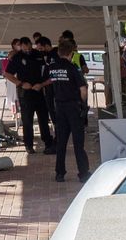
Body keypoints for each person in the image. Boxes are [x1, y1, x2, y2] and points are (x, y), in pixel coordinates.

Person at [38, 38, 91, 183]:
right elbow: (83, 88)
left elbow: (50, 82)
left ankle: (59, 173)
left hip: (59, 107)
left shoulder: (52, 68)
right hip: (73, 107)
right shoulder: (73, 67)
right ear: (70, 53)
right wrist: (83, 105)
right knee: (78, 143)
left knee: (61, 142)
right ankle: (83, 173)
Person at [5, 37, 54, 154]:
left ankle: (48, 143)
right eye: (25, 48)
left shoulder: (38, 54)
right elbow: (7, 74)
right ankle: (29, 145)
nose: (27, 50)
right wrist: (20, 83)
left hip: (39, 91)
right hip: (25, 93)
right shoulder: (17, 57)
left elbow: (48, 71)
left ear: (31, 45)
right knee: (27, 120)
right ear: (21, 46)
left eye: (29, 48)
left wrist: (41, 84)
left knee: (43, 119)